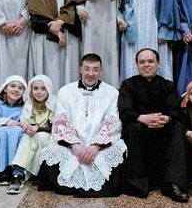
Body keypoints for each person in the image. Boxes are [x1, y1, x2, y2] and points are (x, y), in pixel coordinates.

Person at [39, 54, 126, 197]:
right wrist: (75, 145)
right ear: (80, 69)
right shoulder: (65, 91)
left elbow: (113, 121)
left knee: (118, 150)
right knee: (54, 151)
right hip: (72, 144)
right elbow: (61, 120)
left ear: (101, 70)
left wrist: (96, 146)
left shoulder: (112, 92)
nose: (91, 74)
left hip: (99, 143)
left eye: (95, 69)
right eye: (87, 69)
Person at [118, 48, 190, 203]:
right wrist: (142, 118)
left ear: (158, 64)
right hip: (139, 127)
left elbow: (176, 111)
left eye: (150, 61)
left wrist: (166, 119)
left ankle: (174, 184)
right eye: (142, 62)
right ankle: (137, 184)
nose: (146, 65)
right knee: (132, 127)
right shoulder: (128, 84)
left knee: (177, 127)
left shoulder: (168, 85)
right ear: (137, 65)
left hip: (163, 128)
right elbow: (124, 112)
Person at [28, 0, 80, 91]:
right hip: (46, 31)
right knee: (49, 70)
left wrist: (61, 21)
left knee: (67, 70)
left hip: (68, 30)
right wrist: (54, 28)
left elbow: (73, 3)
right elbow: (35, 6)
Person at [7, 75, 56, 194]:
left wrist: (38, 128)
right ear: (31, 90)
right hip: (32, 136)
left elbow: (56, 126)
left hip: (50, 136)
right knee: (27, 137)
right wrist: (26, 127)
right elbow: (24, 121)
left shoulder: (54, 102)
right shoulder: (29, 103)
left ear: (49, 90)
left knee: (41, 137)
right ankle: (17, 174)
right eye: (36, 88)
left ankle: (24, 173)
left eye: (43, 89)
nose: (39, 92)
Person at [0, 75, 28, 183]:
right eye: (13, 86)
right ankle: (1, 170)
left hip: (17, 132)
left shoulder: (24, 107)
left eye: (20, 88)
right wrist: (7, 122)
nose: (16, 89)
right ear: (5, 88)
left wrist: (21, 124)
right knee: (2, 132)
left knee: (17, 131)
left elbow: (25, 121)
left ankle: (14, 168)